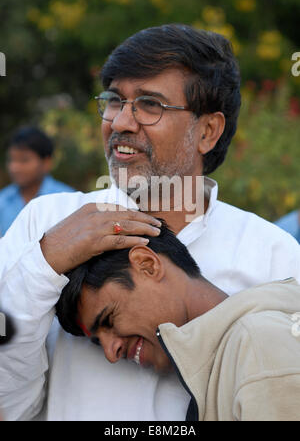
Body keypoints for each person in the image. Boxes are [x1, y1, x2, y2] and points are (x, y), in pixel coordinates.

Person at [0, 24, 300, 422]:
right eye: (114, 100)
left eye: (149, 104)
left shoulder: (274, 257)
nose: (121, 122)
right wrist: (45, 263)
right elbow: (9, 407)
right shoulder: (47, 222)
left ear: (208, 131)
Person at [56, 222, 300, 421]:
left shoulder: (260, 346)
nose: (112, 353)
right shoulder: (234, 359)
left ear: (147, 264)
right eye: (99, 343)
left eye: (109, 318)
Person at [0, 126, 74, 236]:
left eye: (24, 160)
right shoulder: (3, 200)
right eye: (11, 160)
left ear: (47, 162)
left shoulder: (68, 200)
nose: (14, 167)